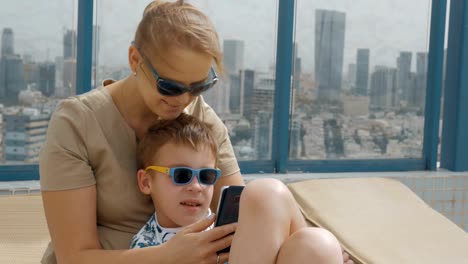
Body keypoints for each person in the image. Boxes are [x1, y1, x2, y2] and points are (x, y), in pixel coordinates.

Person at [39, 0, 352, 263]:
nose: (184, 100)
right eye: (171, 86)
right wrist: (167, 255)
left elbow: (244, 212)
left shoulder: (199, 116)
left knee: (305, 236)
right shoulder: (77, 123)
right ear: (135, 60)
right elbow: (74, 257)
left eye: (199, 86)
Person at [129, 113, 344, 264]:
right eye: (181, 175)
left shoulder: (228, 225)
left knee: (318, 243)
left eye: (206, 176)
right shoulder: (148, 248)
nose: (196, 187)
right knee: (265, 192)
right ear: (147, 182)